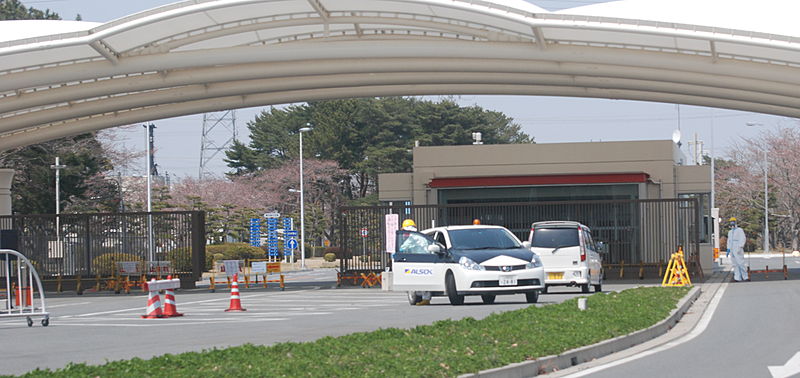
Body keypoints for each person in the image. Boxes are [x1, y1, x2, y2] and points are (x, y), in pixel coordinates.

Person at [399, 219, 433, 306]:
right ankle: (425, 298)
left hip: (421, 260)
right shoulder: (419, 236)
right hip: (424, 259)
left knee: (423, 280)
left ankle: (426, 299)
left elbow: (403, 248)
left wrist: (398, 252)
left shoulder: (412, 237)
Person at [726, 217, 748, 282]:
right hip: (732, 248)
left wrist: (740, 246)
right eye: (731, 222)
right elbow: (729, 241)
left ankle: (745, 276)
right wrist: (728, 249)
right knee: (734, 264)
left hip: (738, 247)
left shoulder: (739, 230)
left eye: (733, 221)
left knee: (740, 263)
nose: (732, 223)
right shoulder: (730, 232)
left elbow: (743, 238)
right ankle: (737, 277)